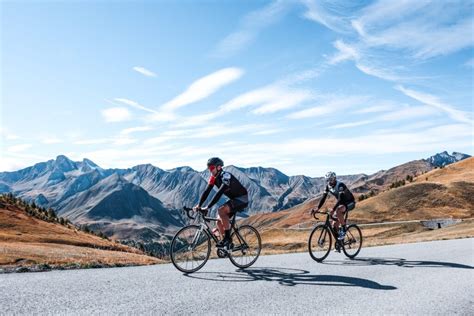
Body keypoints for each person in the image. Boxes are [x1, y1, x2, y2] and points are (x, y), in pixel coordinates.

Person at [194, 157, 249, 250]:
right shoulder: (213, 178)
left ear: (219, 167)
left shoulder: (226, 176)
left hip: (242, 199)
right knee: (218, 221)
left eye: (212, 168)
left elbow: (219, 193)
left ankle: (227, 239)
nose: (210, 171)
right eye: (209, 169)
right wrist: (199, 205)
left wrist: (208, 207)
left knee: (221, 210)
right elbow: (207, 191)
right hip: (234, 199)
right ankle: (228, 244)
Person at [311, 171, 355, 242]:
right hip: (341, 204)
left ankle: (343, 229)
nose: (330, 181)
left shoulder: (340, 185)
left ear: (335, 178)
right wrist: (317, 208)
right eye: (328, 180)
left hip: (350, 202)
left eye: (331, 179)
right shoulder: (328, 186)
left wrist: (333, 209)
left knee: (338, 210)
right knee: (334, 225)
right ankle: (340, 242)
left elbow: (340, 199)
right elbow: (323, 197)